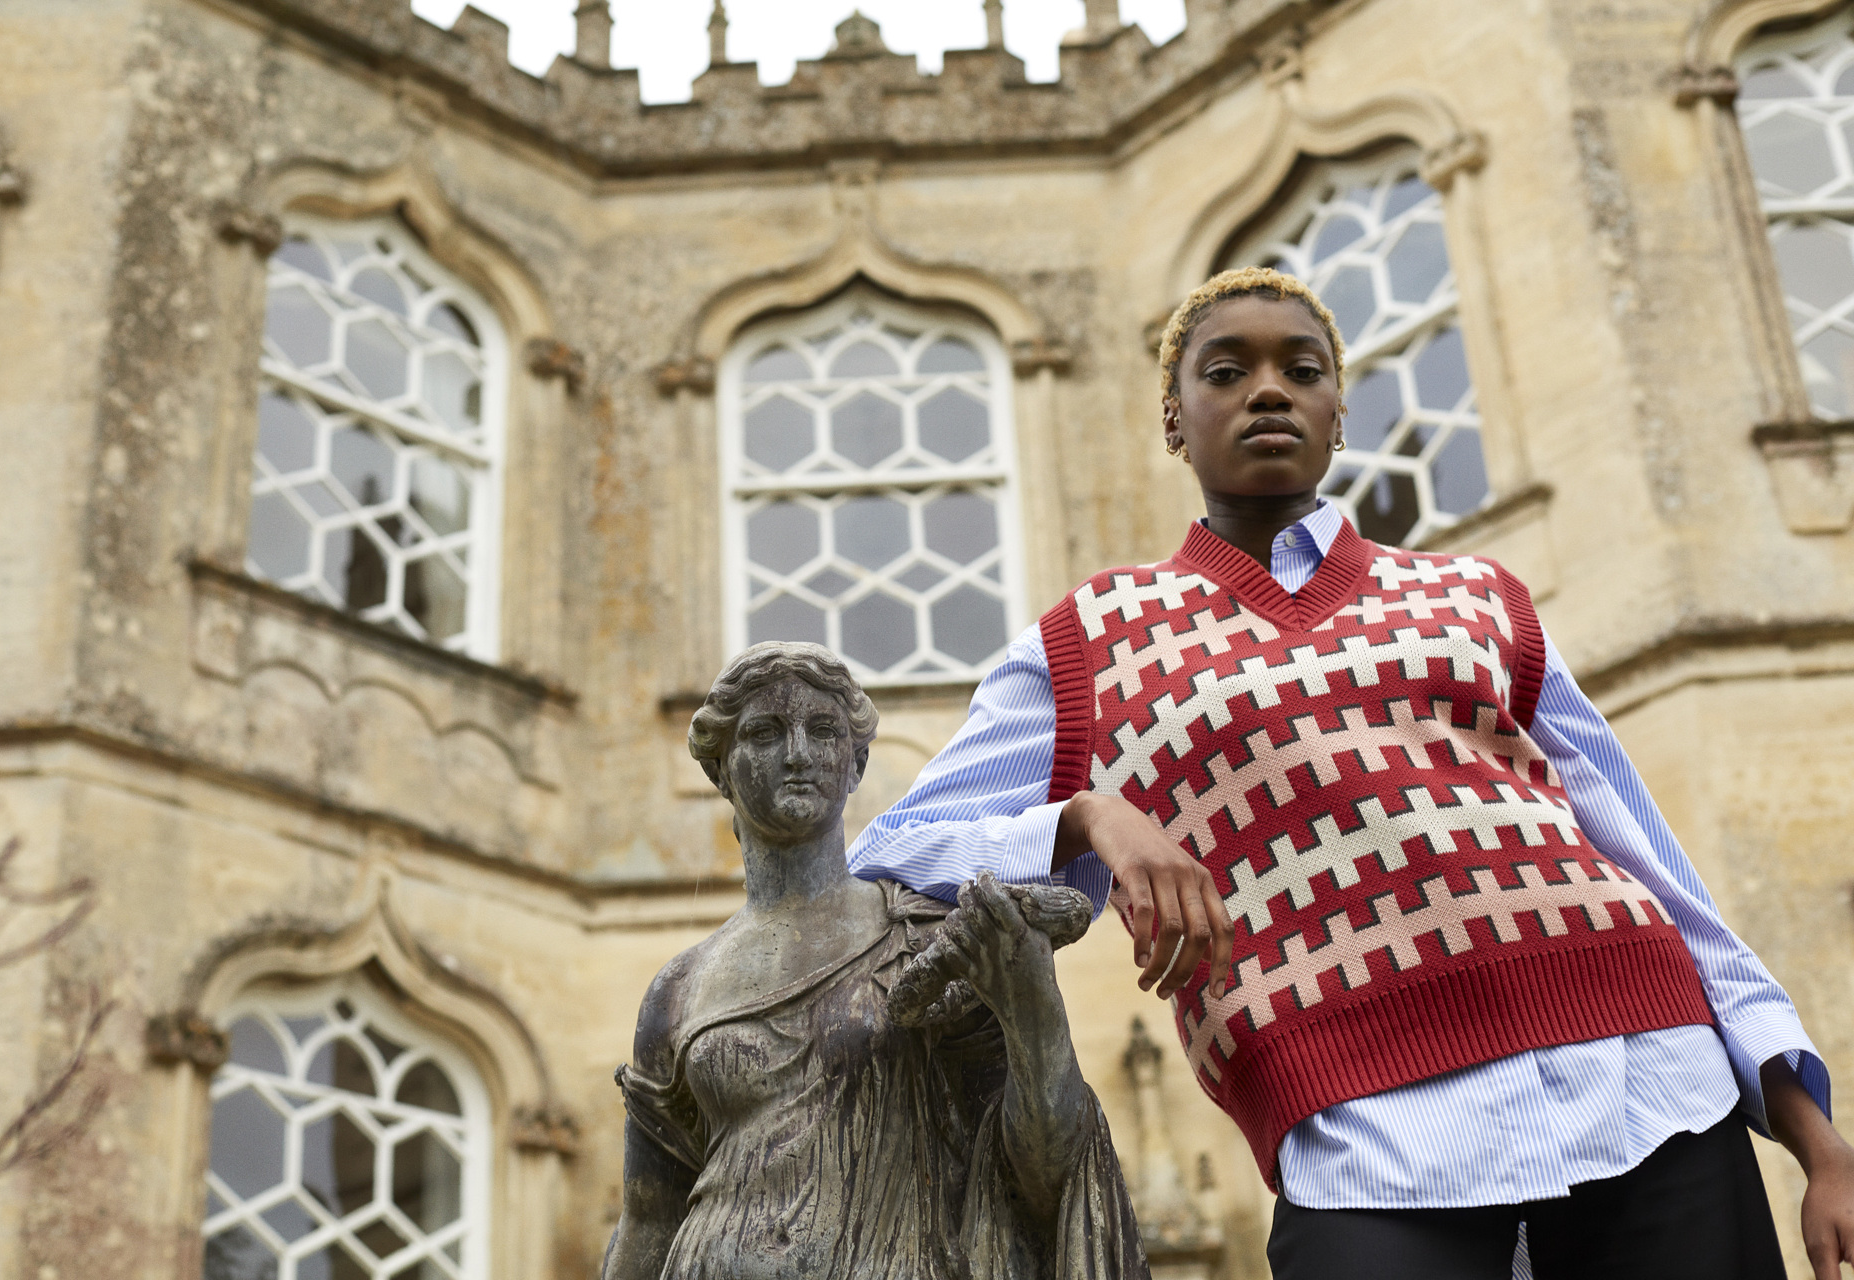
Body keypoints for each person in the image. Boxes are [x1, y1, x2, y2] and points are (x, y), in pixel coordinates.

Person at [848, 266, 1854, 1279]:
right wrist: (1082, 818)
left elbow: (1646, 856)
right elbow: (887, 851)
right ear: (1174, 420)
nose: (1268, 390)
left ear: (1339, 413)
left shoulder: (1478, 595)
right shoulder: (1085, 644)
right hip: (1358, 1141)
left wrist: (1816, 1136)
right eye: (1227, 371)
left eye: (1303, 369)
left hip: (1649, 1084)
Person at [603, 642, 1149, 1280]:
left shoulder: (924, 936)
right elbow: (648, 1217)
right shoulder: (679, 988)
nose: (799, 753)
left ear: (857, 763)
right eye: (764, 732)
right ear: (721, 769)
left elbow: (1039, 1173)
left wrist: (1034, 1013)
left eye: (824, 730)